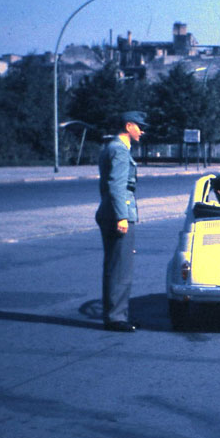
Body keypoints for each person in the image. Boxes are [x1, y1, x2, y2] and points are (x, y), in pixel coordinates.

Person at [95, 111, 148, 332]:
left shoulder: (112, 147)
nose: (142, 131)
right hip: (120, 213)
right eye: (139, 126)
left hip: (110, 210)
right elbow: (116, 185)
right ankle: (116, 317)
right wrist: (122, 216)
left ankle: (118, 314)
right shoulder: (119, 150)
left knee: (115, 265)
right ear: (128, 126)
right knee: (120, 268)